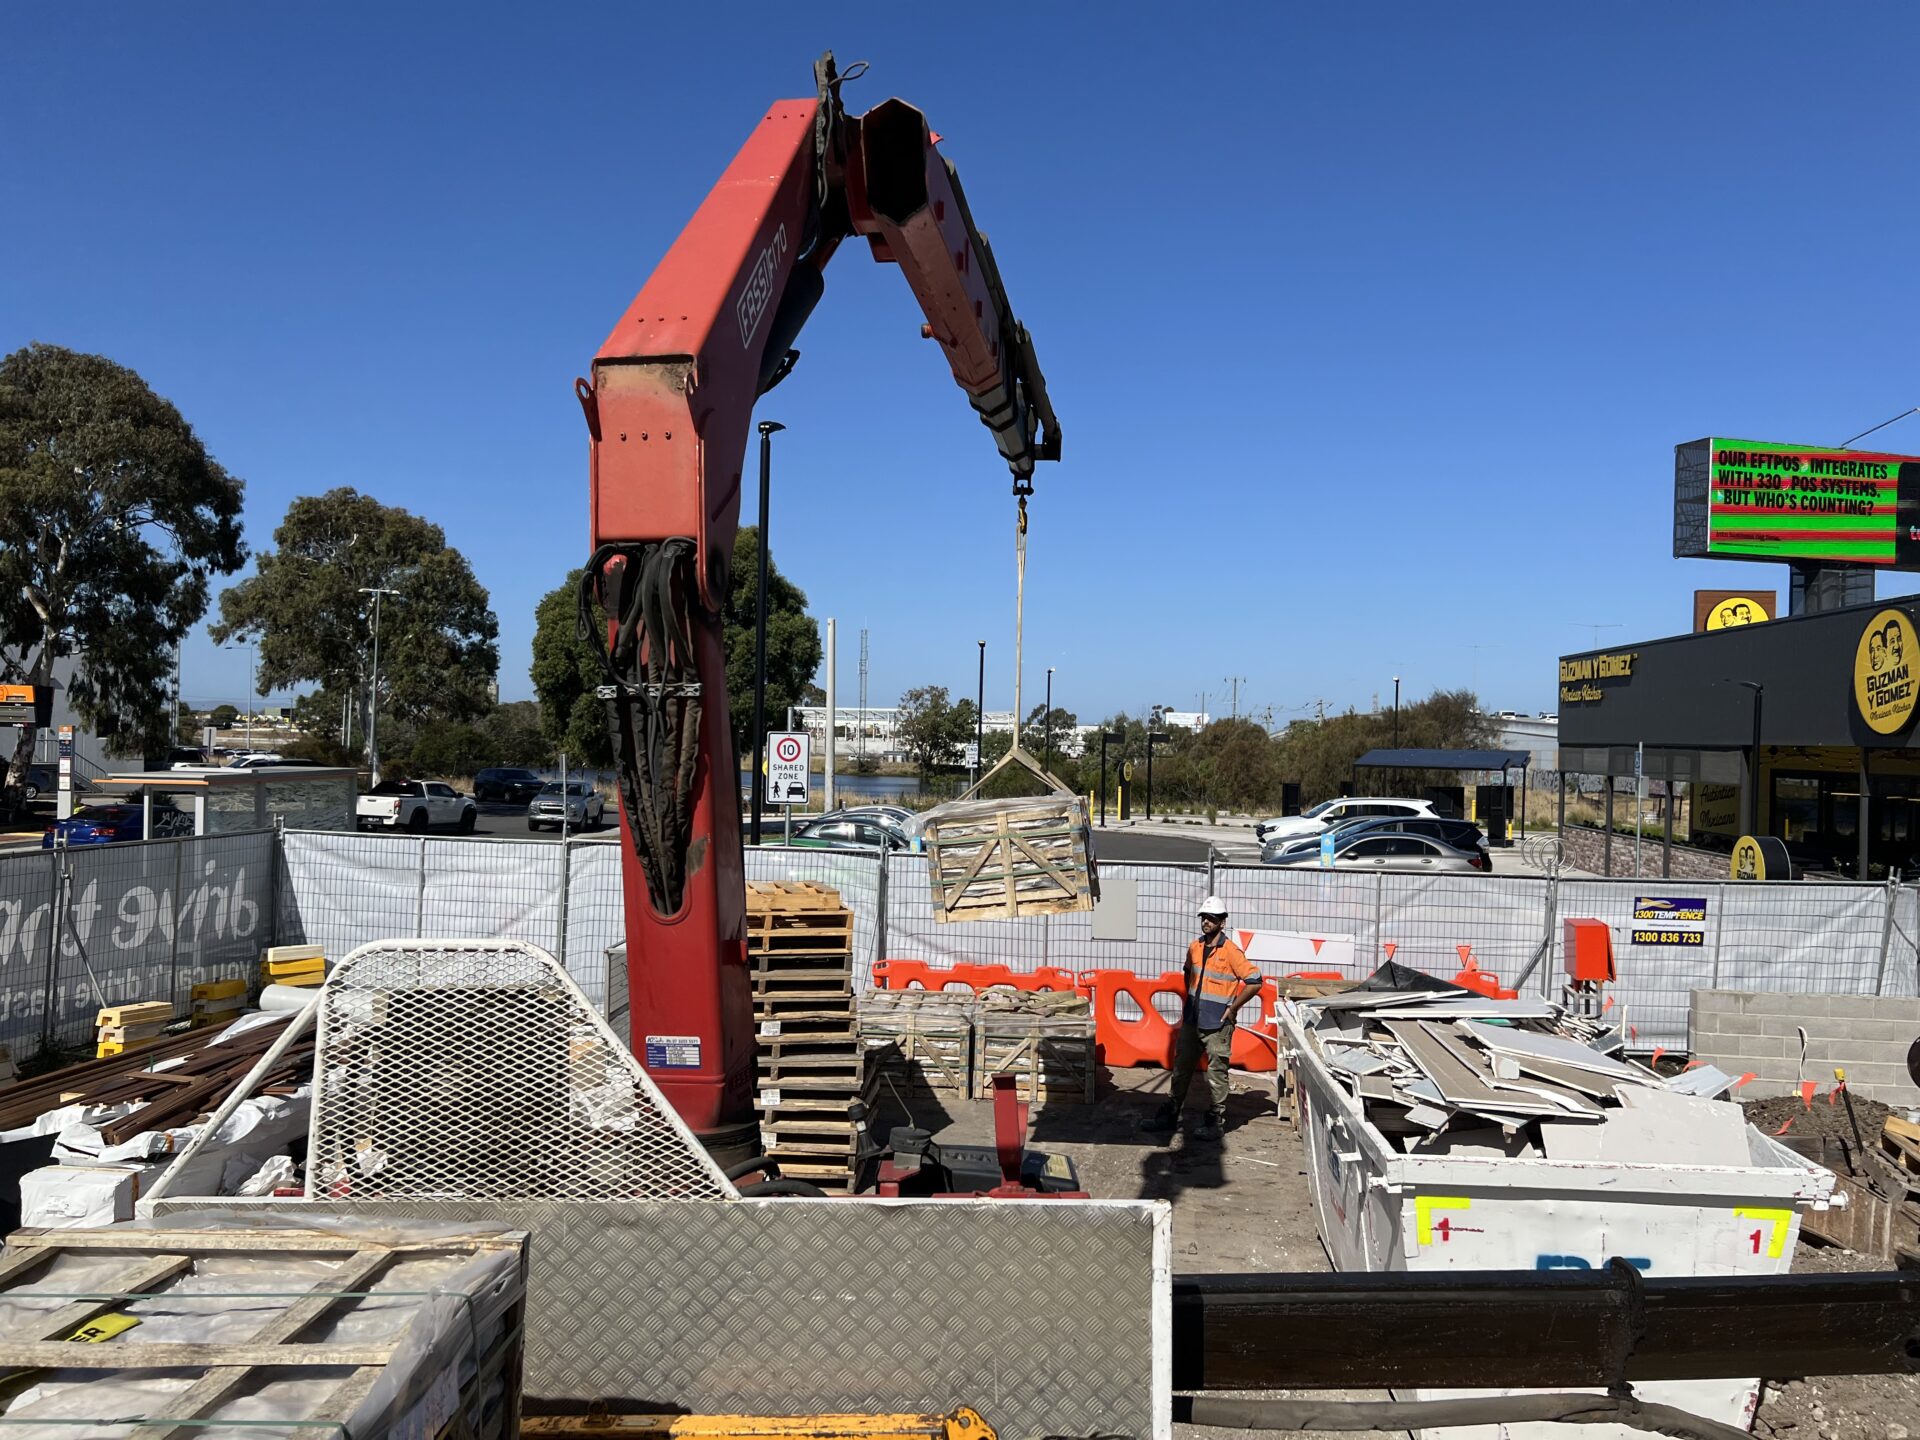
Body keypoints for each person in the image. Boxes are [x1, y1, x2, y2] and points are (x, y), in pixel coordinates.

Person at [1143, 895, 1262, 1140]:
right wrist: (1191, 1001)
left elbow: (1254, 981)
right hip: (1192, 1021)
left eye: (1212, 919)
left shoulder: (1231, 952)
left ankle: (1215, 1121)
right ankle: (1171, 1113)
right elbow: (1189, 974)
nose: (1206, 922)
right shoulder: (1195, 947)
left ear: (1222, 922)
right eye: (1204, 918)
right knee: (1181, 1069)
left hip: (1218, 1025)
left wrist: (1233, 1008)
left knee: (1217, 1073)